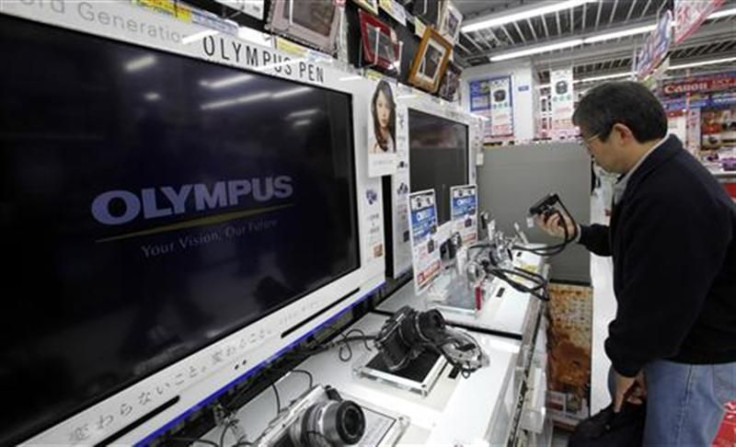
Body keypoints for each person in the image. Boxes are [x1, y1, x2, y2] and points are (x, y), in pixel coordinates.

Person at [536, 81, 736, 446]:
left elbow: (660, 301)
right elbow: (635, 245)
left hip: (693, 355)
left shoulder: (672, 194)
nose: (588, 152)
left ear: (621, 133)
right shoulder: (658, 174)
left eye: (588, 141)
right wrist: (577, 232)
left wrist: (627, 362)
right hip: (675, 345)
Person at [370, 80, 396, 154]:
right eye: (380, 105)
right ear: (375, 107)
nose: (383, 113)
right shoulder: (372, 145)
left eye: (387, 106)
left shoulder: (395, 140)